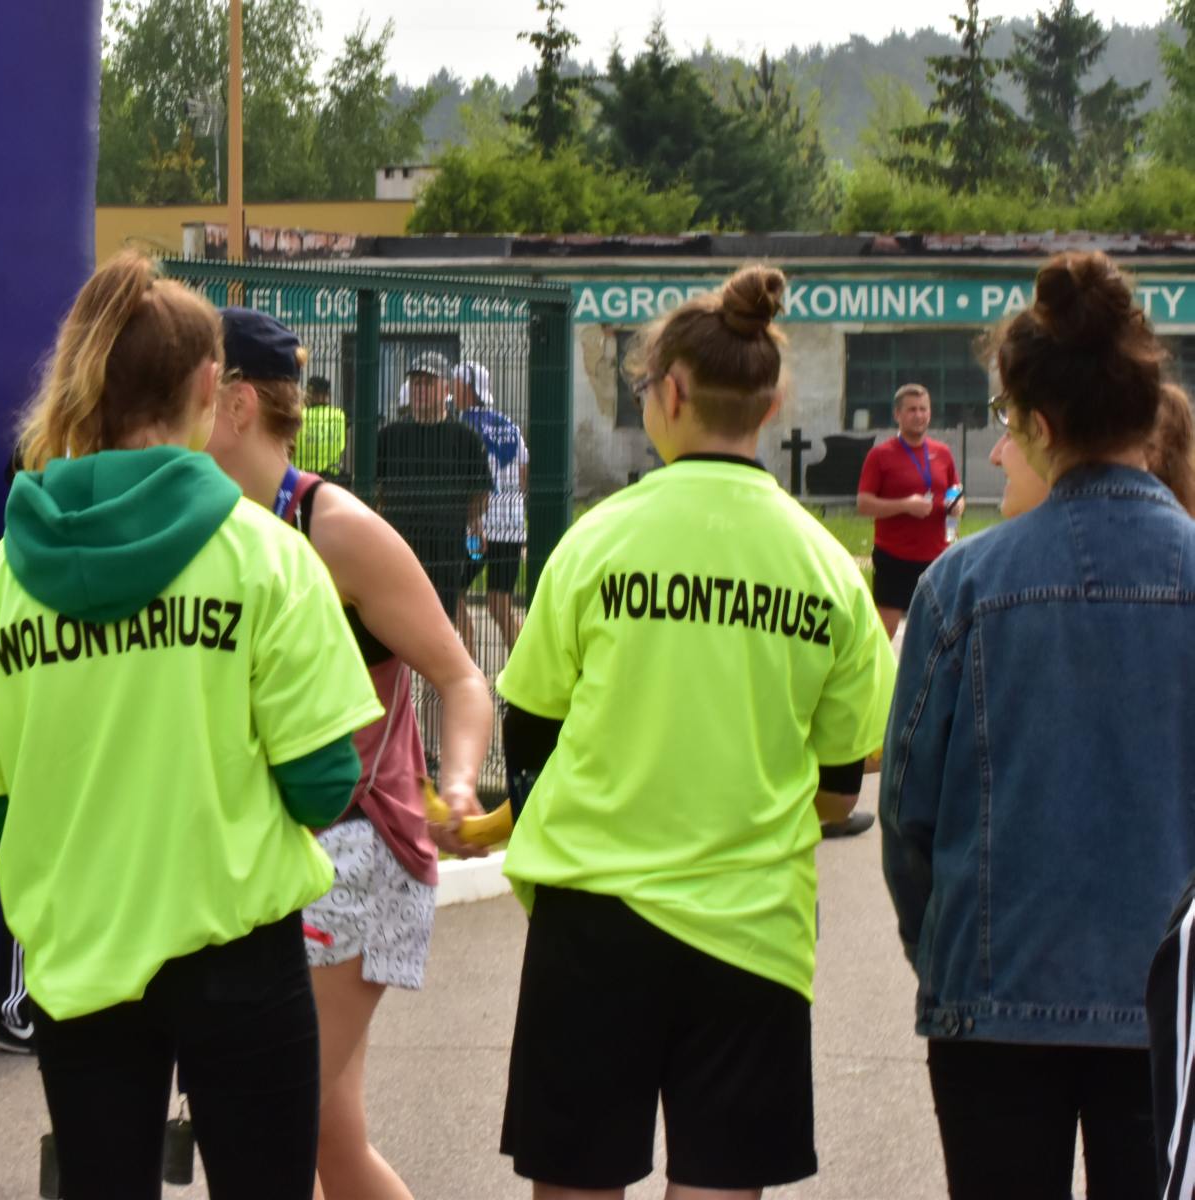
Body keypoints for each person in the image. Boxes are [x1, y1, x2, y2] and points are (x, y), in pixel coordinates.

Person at [0, 252, 382, 1200]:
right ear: (211, 386)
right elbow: (323, 782)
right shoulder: (266, 557)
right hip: (241, 951)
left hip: (80, 950)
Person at [497, 264, 895, 1200]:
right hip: (752, 924)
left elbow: (532, 730)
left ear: (670, 394)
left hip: (594, 913)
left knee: (577, 1184)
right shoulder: (826, 566)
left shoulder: (598, 541)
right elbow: (843, 785)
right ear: (772, 404)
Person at [880, 250, 1195, 1200]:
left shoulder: (961, 586)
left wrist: (942, 952)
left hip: (994, 998)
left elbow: (908, 816)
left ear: (1042, 427)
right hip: (1175, 1005)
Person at [204, 307, 493, 1200]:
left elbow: (463, 678)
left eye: (188, 388)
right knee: (330, 1136)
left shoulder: (332, 526)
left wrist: (457, 784)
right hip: (267, 852)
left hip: (355, 846)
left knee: (275, 1121)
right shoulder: (206, 525)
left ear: (237, 404)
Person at [375, 352, 491, 621]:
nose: (420, 389)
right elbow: (375, 490)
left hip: (445, 546)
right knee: (398, 620)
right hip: (400, 544)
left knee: (441, 619)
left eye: (429, 383)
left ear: (447, 389)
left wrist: (473, 523)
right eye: (416, 383)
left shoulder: (465, 438)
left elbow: (480, 490)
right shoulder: (389, 436)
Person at [855, 384, 965, 640]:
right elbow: (863, 504)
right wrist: (905, 505)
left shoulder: (942, 452)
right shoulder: (880, 455)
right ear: (898, 415)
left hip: (937, 558)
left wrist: (957, 505)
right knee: (884, 631)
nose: (919, 415)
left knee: (939, 630)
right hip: (895, 557)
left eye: (923, 409)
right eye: (912, 410)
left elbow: (955, 491)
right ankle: (877, 668)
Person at [453, 360, 529, 656]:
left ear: (468, 389)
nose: (452, 390)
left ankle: (469, 652)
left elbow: (463, 477)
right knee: (500, 605)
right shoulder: (509, 426)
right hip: (511, 527)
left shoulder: (462, 426)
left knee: (451, 590)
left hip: (477, 529)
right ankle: (523, 668)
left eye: (456, 384)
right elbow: (523, 473)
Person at [292, 376, 347, 479]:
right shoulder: (339, 415)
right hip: (331, 475)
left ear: (310, 394)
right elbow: (342, 445)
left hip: (300, 475)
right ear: (327, 395)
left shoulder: (298, 415)